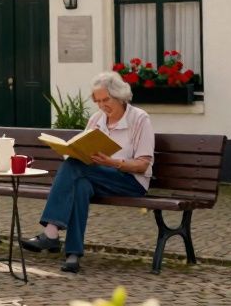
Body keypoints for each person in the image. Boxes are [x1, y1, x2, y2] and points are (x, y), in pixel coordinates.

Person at [21, 71, 153, 273]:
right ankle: (73, 255)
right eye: (98, 101)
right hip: (99, 179)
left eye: (106, 100)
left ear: (119, 96)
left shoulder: (139, 119)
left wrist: (112, 162)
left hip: (130, 182)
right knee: (80, 185)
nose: (102, 106)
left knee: (74, 167)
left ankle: (51, 233)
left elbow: (143, 165)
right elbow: (82, 149)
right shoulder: (97, 119)